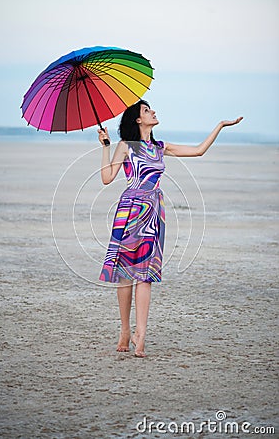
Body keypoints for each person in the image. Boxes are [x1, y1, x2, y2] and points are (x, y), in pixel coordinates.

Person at [98, 100, 243, 358]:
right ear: (138, 120)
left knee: (146, 273)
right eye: (146, 110)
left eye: (150, 109)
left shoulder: (160, 148)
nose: (152, 111)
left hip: (153, 212)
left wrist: (220, 126)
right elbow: (107, 178)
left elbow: (198, 151)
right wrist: (106, 147)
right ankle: (124, 329)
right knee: (125, 273)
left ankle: (140, 335)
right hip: (129, 209)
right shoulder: (126, 146)